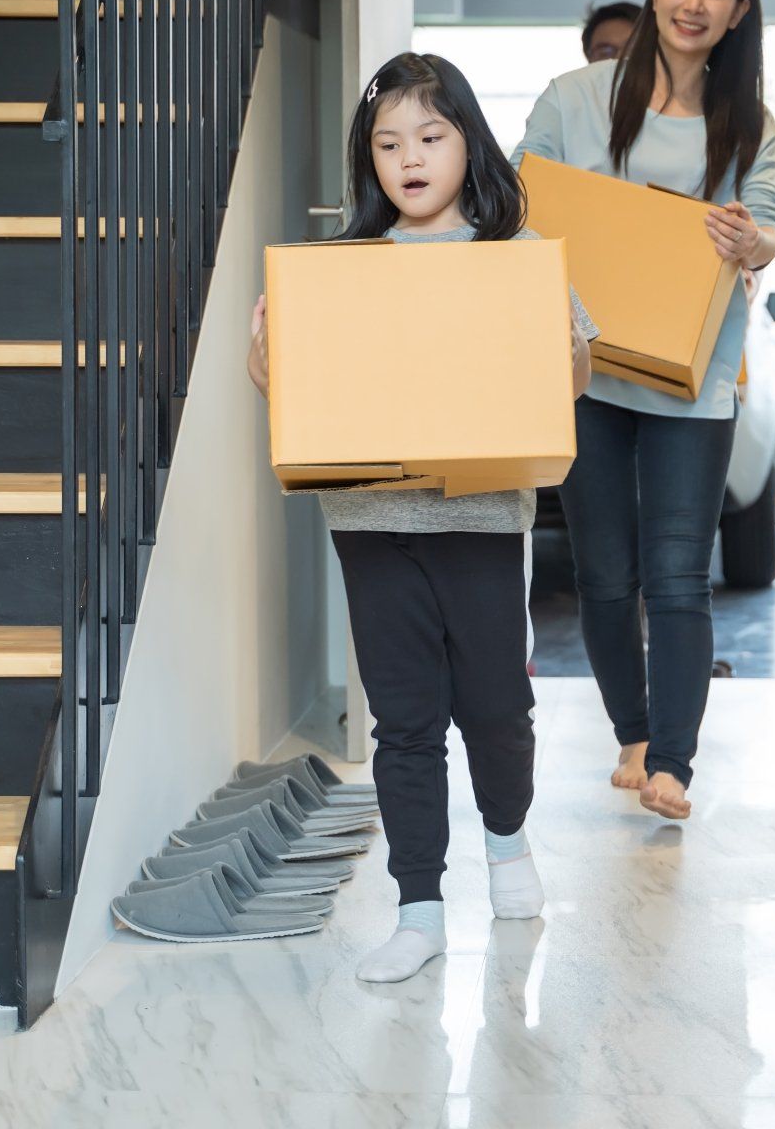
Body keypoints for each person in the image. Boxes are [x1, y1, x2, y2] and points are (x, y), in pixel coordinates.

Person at [247, 52, 598, 984]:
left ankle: (510, 841)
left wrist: (562, 353)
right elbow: (293, 393)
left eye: (430, 137)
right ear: (371, 162)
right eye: (388, 143)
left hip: (483, 520)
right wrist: (265, 354)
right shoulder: (341, 268)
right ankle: (419, 905)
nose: (410, 158)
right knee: (404, 718)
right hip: (370, 518)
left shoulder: (514, 260)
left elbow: (570, 377)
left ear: (468, 144)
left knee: (496, 706)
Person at [514, 0, 775, 821]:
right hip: (585, 370)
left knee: (677, 573)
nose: (692, 2)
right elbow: (519, 214)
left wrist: (754, 239)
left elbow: (771, 222)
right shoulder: (572, 100)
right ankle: (631, 730)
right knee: (603, 573)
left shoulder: (746, 121)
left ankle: (672, 760)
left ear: (738, 12)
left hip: (692, 377)